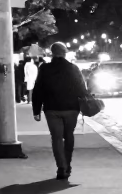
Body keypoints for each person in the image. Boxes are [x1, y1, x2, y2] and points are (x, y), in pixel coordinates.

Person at [31, 42, 88, 181]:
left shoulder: (44, 68)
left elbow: (38, 89)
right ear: (65, 53)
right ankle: (67, 164)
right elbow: (82, 89)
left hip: (51, 109)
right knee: (68, 136)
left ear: (52, 53)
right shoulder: (73, 68)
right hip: (71, 108)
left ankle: (61, 167)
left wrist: (36, 110)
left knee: (56, 138)